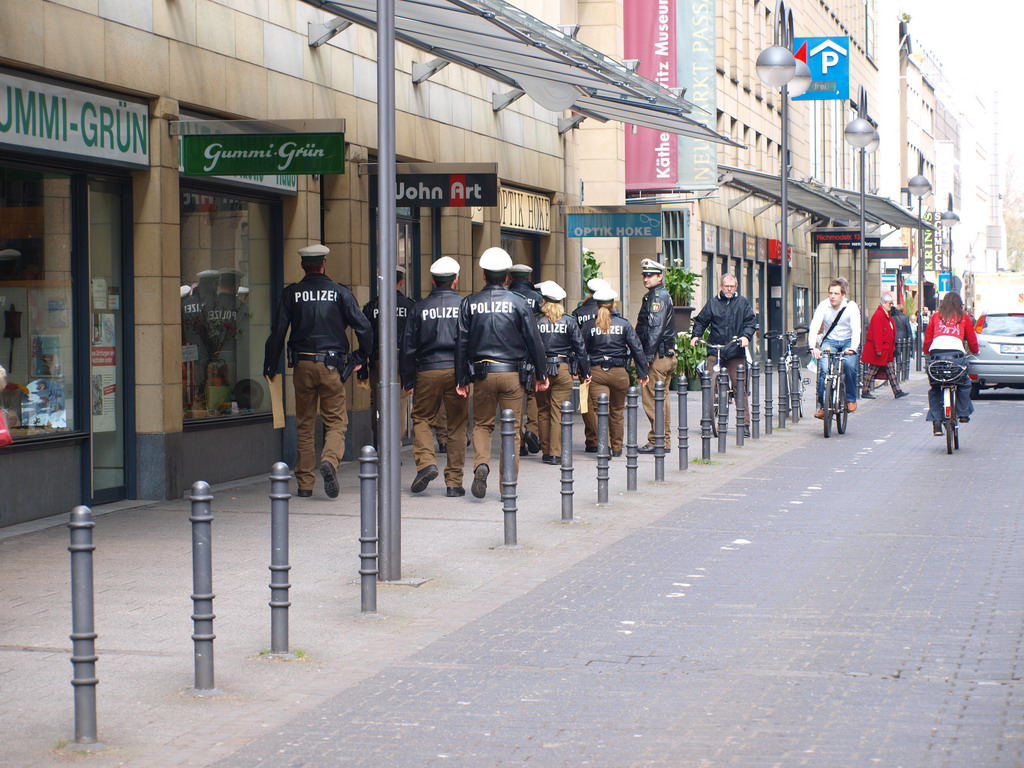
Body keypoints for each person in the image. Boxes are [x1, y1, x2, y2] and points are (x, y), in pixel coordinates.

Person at [263, 244, 373, 498]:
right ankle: (330, 460)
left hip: (302, 366)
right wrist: (361, 356)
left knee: (304, 424)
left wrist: (270, 365)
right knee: (336, 422)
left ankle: (304, 484)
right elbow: (364, 327)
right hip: (332, 366)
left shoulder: (292, 293)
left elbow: (278, 332)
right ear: (324, 264)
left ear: (303, 266)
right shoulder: (340, 293)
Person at [455, 247, 549, 499]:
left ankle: (481, 464)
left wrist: (461, 378)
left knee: (482, 425)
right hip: (512, 374)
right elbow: (534, 340)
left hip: (482, 374)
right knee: (512, 429)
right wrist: (541, 374)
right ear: (507, 276)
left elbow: (461, 344)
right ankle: (507, 484)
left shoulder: (469, 303)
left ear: (484, 275)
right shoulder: (518, 303)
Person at [400, 257, 469, 497]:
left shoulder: (419, 307)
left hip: (427, 370)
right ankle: (454, 483)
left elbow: (407, 346)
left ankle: (426, 463)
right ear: (455, 280)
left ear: (433, 280)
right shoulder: (464, 305)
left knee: (421, 419)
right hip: (457, 370)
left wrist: (408, 380)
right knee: (457, 425)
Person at [579, 286, 649, 457]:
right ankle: (617, 447)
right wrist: (643, 374)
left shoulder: (589, 326)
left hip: (596, 374)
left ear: (597, 305)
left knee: (600, 411)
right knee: (617, 411)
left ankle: (605, 446)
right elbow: (637, 349)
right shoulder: (624, 324)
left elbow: (581, 351)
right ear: (613, 304)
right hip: (619, 373)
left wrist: (584, 373)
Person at [688, 273, 757, 431]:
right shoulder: (713, 303)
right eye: (727, 286)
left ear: (736, 287)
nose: (729, 289)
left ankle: (744, 423)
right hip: (715, 349)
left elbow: (750, 321)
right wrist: (695, 336)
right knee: (708, 383)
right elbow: (701, 321)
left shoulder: (742, 303)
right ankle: (708, 419)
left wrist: (746, 336)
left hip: (735, 350)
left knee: (739, 385)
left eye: (732, 286)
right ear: (721, 286)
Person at [534, 280, 591, 464]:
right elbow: (580, 348)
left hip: (541, 369)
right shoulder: (569, 321)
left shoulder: (535, 320)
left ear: (543, 300)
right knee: (557, 411)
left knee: (542, 410)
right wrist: (586, 371)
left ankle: (545, 451)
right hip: (563, 369)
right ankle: (555, 453)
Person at [361, 266, 415, 444]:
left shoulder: (372, 307)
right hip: (403, 360)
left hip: (379, 359)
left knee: (378, 401)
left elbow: (365, 336)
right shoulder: (410, 306)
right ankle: (395, 445)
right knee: (400, 402)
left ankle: (381, 441)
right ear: (401, 282)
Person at [635, 258, 676, 452]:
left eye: (650, 275)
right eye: (644, 275)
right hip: (665, 354)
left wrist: (647, 357)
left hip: (657, 356)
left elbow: (654, 328)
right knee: (662, 399)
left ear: (660, 276)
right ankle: (663, 440)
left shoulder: (657, 297)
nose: (646, 278)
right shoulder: (659, 295)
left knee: (652, 400)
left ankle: (657, 440)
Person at [923, 292, 979, 434]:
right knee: (964, 383)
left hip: (937, 357)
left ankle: (936, 421)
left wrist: (926, 351)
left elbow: (928, 338)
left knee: (936, 387)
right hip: (956, 357)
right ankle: (963, 413)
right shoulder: (963, 318)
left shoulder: (936, 317)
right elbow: (972, 340)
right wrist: (975, 351)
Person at [807, 278, 861, 419]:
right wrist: (812, 346)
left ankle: (850, 398)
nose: (832, 296)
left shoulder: (851, 307)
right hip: (830, 341)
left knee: (849, 365)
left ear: (843, 294)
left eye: (836, 293)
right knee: (824, 369)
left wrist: (853, 348)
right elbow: (814, 326)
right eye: (830, 293)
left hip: (848, 341)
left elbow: (856, 329)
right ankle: (823, 405)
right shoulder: (823, 306)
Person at [508, 263, 544, 456]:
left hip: (512, 356)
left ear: (510, 278)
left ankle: (519, 442)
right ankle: (532, 430)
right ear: (529, 278)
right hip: (532, 354)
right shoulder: (539, 299)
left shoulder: (507, 297)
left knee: (514, 401)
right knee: (532, 396)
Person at [573, 277, 610, 453]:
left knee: (584, 403)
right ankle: (602, 438)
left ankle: (591, 439)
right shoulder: (608, 311)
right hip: (602, 363)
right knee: (601, 403)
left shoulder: (578, 312)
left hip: (583, 364)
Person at [860, 293, 909, 401]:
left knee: (890, 370)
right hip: (881, 349)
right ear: (883, 303)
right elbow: (877, 333)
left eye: (891, 303)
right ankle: (865, 390)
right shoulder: (879, 315)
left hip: (886, 349)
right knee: (872, 370)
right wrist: (878, 349)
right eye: (889, 303)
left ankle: (897, 391)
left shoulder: (886, 315)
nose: (891, 305)